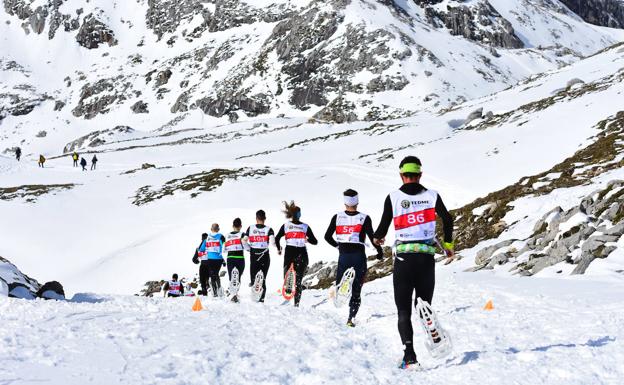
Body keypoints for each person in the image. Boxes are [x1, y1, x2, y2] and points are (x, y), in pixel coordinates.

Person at [373, 156, 454, 368]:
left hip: (404, 259)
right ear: (420, 175)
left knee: (403, 311)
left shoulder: (393, 197)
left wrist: (378, 238)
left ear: (401, 175)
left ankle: (410, 356)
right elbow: (448, 219)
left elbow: (382, 227)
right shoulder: (432, 196)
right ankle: (433, 331)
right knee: (424, 306)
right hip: (426, 258)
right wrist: (448, 244)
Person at [324, 189, 384, 327]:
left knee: (341, 288)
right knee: (356, 290)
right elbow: (372, 237)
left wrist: (338, 246)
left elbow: (327, 237)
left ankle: (338, 289)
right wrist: (380, 252)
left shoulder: (337, 217)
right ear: (357, 202)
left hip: (344, 256)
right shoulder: (364, 217)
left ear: (345, 203)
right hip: (358, 257)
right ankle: (351, 319)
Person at [275, 201, 318, 307]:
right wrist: (307, 240)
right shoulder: (301, 226)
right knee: (294, 280)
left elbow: (315, 241)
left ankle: (296, 304)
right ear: (299, 215)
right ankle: (296, 303)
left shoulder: (297, 226)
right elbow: (315, 241)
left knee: (295, 279)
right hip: (299, 253)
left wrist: (279, 249)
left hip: (294, 252)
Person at [243, 209, 275, 302]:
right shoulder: (269, 229)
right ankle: (261, 300)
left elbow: (243, 241)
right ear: (265, 218)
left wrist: (249, 248)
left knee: (254, 278)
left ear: (256, 218)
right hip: (265, 255)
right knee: (262, 279)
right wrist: (278, 248)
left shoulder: (250, 228)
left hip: (254, 255)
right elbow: (273, 242)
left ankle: (255, 298)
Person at [224, 218, 248, 302]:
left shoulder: (227, 235)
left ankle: (233, 294)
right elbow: (245, 244)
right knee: (238, 277)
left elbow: (224, 249)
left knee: (232, 277)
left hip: (230, 258)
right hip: (240, 258)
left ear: (232, 226)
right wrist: (249, 249)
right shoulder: (242, 234)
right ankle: (235, 293)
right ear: (241, 226)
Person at [200, 223, 226, 297]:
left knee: (212, 274)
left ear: (211, 229)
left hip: (210, 259)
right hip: (218, 259)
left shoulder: (207, 238)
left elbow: (201, 249)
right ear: (218, 229)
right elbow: (224, 246)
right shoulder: (221, 236)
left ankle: (215, 292)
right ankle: (219, 289)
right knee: (216, 273)